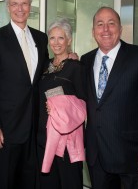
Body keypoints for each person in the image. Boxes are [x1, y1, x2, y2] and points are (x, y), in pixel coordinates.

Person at [81, 6, 138, 189]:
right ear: (93, 31)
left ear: (120, 29)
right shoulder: (85, 60)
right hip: (97, 157)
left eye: (111, 24)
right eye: (100, 24)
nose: (105, 29)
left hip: (133, 158)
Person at [0, 0, 49, 189]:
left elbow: (43, 75)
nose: (20, 9)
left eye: (24, 3)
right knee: (6, 180)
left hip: (35, 125)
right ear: (8, 7)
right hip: (7, 127)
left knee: (30, 179)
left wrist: (66, 59)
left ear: (30, 5)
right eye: (15, 4)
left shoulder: (41, 37)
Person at [37, 18, 86, 189]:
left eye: (61, 38)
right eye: (52, 38)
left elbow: (83, 104)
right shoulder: (44, 65)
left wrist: (61, 106)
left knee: (69, 182)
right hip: (44, 136)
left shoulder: (76, 67)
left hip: (67, 138)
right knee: (48, 182)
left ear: (69, 40)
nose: (56, 43)